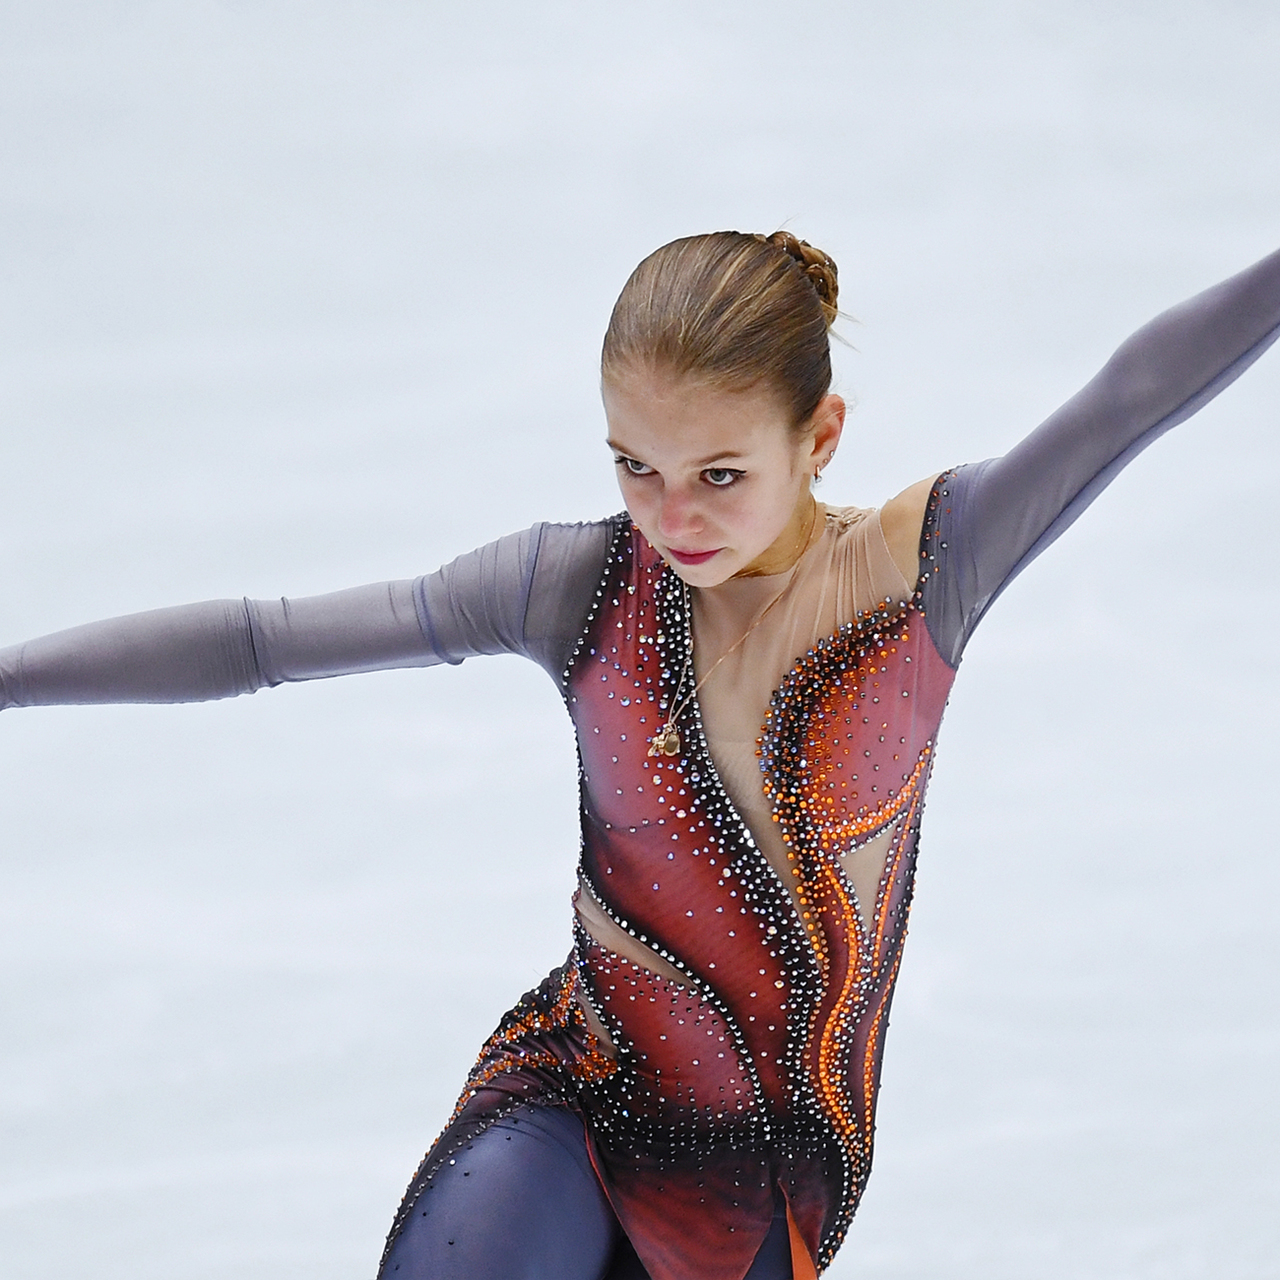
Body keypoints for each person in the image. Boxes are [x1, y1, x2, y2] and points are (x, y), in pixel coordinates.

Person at [3, 230, 1279, 1280]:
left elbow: (1132, 394)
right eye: (635, 465)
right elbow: (261, 640)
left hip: (771, 1179)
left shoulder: (918, 574)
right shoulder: (576, 587)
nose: (672, 518)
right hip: (574, 1088)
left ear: (818, 433)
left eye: (719, 473)